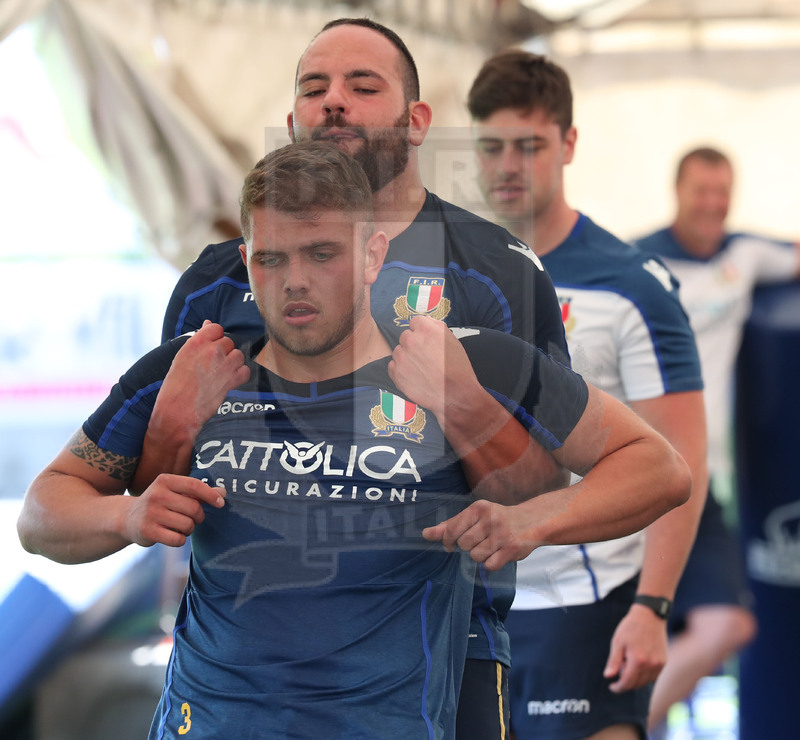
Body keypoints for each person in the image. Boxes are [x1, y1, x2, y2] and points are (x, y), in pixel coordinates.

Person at [17, 141, 691, 739]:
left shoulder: (469, 359)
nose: (296, 281)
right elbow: (42, 513)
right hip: (207, 720)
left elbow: (658, 468)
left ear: (374, 253)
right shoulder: (192, 368)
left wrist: (534, 519)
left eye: (322, 254)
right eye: (272, 259)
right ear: (247, 260)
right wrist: (127, 513)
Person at [158, 17, 571, 740]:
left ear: (417, 122)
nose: (334, 102)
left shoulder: (498, 275)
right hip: (240, 670)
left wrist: (464, 406)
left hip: (444, 657)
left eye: (362, 85)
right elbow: (153, 486)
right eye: (314, 89)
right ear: (291, 123)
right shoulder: (215, 282)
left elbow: (541, 493)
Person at [467, 50, 708, 740]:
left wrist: (654, 606)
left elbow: (682, 462)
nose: (507, 165)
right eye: (491, 147)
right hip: (466, 607)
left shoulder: (631, 285)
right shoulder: (442, 275)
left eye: (529, 145)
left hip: (587, 606)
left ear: (568, 144)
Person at [635, 146, 800, 730]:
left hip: (700, 480)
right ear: (678, 191)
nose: (712, 204)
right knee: (636, 633)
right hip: (638, 470)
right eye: (701, 191)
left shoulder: (745, 255)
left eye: (721, 192)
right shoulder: (638, 261)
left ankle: (629, 725)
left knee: (721, 626)